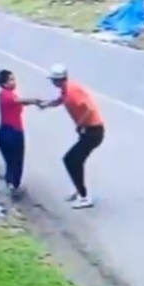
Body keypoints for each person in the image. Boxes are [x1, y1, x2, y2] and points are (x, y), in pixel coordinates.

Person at [39, 64, 104, 209]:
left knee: (71, 160)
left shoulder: (72, 91)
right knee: (75, 161)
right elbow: (61, 100)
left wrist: (80, 124)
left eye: (52, 80)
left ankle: (84, 197)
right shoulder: (66, 88)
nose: (51, 83)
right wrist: (47, 104)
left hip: (93, 131)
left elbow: (89, 108)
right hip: (88, 131)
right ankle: (79, 188)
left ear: (58, 80)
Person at [0, 69, 40, 198]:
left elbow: (20, 101)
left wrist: (32, 102)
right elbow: (19, 101)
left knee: (10, 161)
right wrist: (35, 101)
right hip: (13, 133)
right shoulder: (7, 95)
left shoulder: (6, 94)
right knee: (17, 161)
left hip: (4, 132)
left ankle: (10, 183)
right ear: (4, 83)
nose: (14, 82)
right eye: (11, 80)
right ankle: (14, 186)